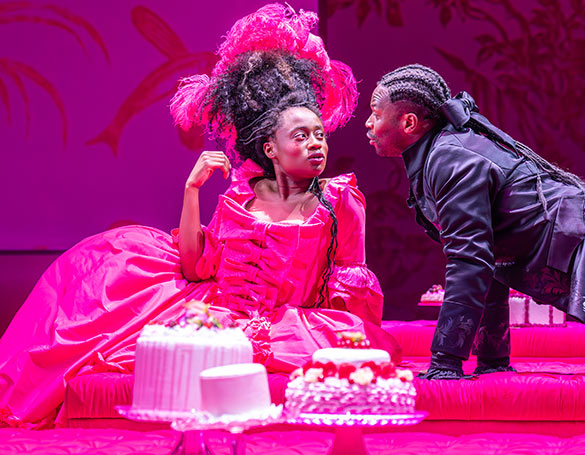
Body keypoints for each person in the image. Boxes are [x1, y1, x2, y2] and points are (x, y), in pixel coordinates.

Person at [0, 4, 394, 429]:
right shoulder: (239, 201)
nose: (317, 144)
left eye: (320, 134)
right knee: (97, 288)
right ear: (269, 149)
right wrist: (191, 191)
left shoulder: (340, 200)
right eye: (301, 136)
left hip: (298, 326)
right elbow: (196, 267)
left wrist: (348, 343)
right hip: (223, 312)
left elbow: (351, 292)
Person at [365, 63, 585, 380]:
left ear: (408, 123)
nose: (368, 123)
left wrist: (446, 361)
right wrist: (492, 361)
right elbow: (488, 257)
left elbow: (471, 261)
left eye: (376, 114)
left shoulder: (449, 157)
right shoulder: (443, 151)